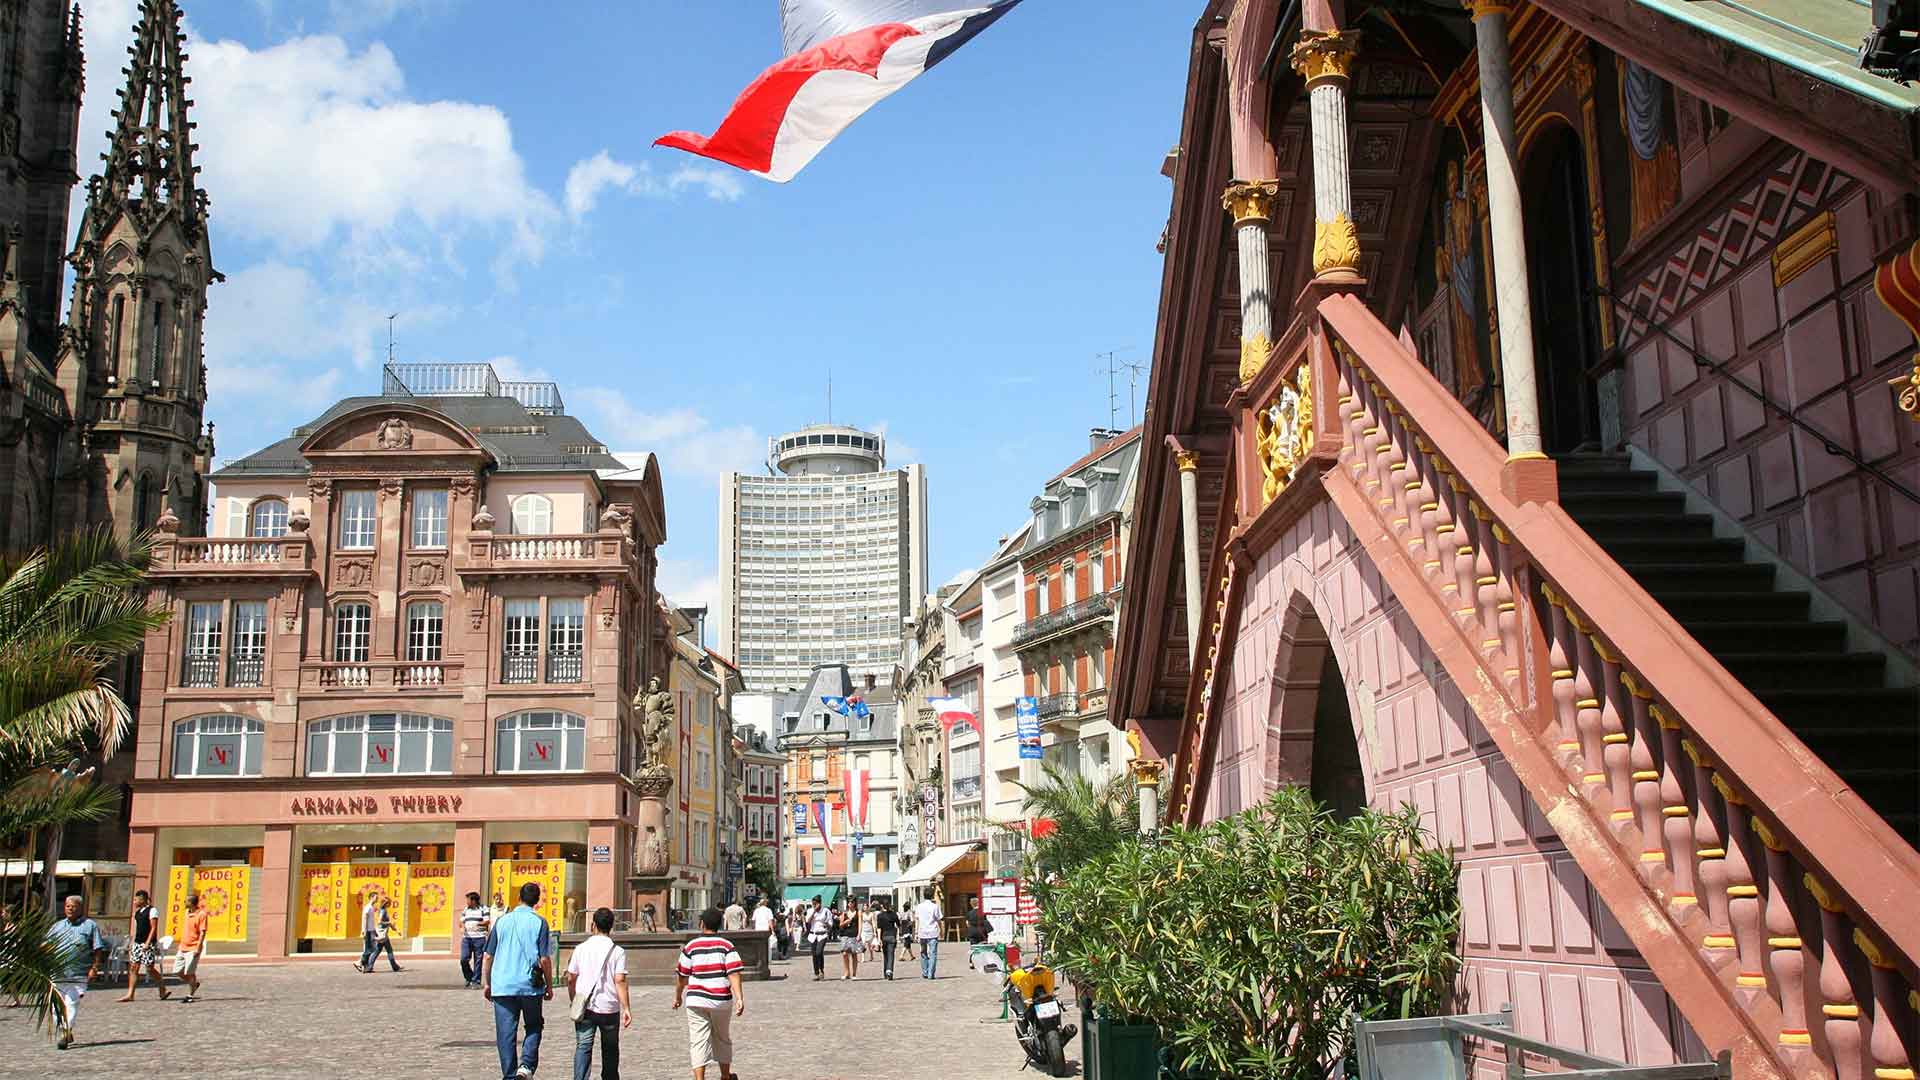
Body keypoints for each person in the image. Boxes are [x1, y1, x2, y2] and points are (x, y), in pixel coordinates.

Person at [484, 881, 555, 1080]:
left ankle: (509, 1075)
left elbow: (488, 956)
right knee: (533, 1025)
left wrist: (487, 982)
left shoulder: (502, 921)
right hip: (530, 986)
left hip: (503, 985)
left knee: (506, 1033)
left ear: (519, 898)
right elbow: (544, 958)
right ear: (538, 901)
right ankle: (526, 1066)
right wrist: (549, 985)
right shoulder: (540, 922)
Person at [673, 908, 745, 1080]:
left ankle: (699, 1078)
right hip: (720, 999)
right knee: (722, 1037)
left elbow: (682, 976)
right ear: (719, 925)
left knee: (698, 1041)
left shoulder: (691, 946)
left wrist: (678, 997)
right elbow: (734, 973)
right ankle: (725, 1076)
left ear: (702, 924)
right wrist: (739, 998)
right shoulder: (726, 946)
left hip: (696, 999)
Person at [565, 906, 631, 1080]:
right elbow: (620, 981)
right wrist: (626, 1008)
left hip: (585, 1006)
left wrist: (574, 998)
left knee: (583, 1046)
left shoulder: (581, 948)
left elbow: (571, 977)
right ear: (611, 926)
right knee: (610, 1050)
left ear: (593, 925)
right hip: (609, 1007)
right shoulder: (618, 951)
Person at [45, 895, 106, 1050]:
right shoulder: (57, 926)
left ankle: (65, 1034)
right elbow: (46, 945)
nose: (70, 909)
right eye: (67, 906)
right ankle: (66, 1030)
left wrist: (95, 968)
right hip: (57, 971)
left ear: (81, 908)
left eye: (73, 906)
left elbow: (98, 948)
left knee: (72, 1002)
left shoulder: (90, 925)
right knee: (56, 1005)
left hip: (78, 972)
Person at [117, 889, 169, 1002]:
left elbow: (154, 927)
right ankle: (130, 994)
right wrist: (132, 943)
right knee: (133, 968)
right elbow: (137, 929)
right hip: (137, 942)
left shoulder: (152, 910)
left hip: (148, 943)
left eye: (136, 899)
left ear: (142, 899)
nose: (134, 902)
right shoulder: (137, 912)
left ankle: (162, 987)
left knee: (149, 968)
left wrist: (148, 942)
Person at [174, 891, 209, 1002]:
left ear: (191, 903)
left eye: (186, 900)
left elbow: (203, 932)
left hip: (193, 947)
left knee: (190, 972)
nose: (184, 902)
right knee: (177, 971)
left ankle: (190, 995)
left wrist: (198, 948)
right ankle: (194, 984)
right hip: (183, 947)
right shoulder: (186, 913)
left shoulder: (201, 914)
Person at [460, 891, 492, 989]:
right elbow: (461, 921)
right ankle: (469, 977)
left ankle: (476, 981)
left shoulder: (484, 908)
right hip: (467, 938)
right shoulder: (466, 910)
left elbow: (487, 921)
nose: (467, 902)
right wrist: (462, 927)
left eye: (468, 899)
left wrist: (477, 924)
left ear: (473, 900)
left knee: (478, 960)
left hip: (479, 937)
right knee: (463, 959)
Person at [367, 896, 403, 972]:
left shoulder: (382, 910)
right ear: (386, 903)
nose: (390, 904)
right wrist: (389, 923)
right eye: (389, 903)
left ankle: (369, 967)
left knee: (377, 951)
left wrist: (395, 929)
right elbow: (380, 922)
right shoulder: (383, 911)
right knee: (389, 950)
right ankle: (395, 967)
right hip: (382, 935)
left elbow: (387, 924)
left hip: (382, 934)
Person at [913, 893, 941, 979]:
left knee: (923, 953)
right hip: (933, 932)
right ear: (932, 896)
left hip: (922, 932)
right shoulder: (935, 906)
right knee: (933, 953)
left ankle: (925, 971)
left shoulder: (919, 906)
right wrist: (941, 930)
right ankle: (931, 973)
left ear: (924, 896)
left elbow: (917, 920)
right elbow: (938, 919)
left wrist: (916, 933)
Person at [805, 898, 831, 981]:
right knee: (814, 954)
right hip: (813, 935)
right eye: (813, 904)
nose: (814, 905)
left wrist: (826, 924)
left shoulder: (826, 911)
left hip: (822, 934)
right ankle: (816, 973)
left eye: (815, 904)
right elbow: (808, 921)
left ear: (820, 903)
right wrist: (814, 912)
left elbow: (830, 924)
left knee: (819, 952)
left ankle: (821, 971)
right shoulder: (810, 910)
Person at [874, 900, 901, 980]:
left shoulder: (880, 915)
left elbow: (879, 928)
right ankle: (889, 971)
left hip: (884, 937)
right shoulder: (894, 914)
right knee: (891, 954)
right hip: (892, 936)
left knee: (885, 955)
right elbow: (899, 925)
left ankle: (885, 972)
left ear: (882, 906)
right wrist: (898, 935)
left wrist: (879, 939)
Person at [354, 892, 380, 973]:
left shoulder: (371, 907)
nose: (377, 899)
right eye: (376, 897)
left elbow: (371, 921)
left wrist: (375, 931)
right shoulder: (368, 907)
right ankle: (359, 962)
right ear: (371, 897)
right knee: (370, 949)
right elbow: (364, 918)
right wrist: (364, 931)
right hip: (368, 931)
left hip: (371, 930)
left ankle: (366, 968)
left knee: (370, 949)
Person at [837, 903, 863, 980]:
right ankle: (847, 972)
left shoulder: (858, 912)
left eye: (852, 902)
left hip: (854, 934)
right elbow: (840, 925)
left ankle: (854, 974)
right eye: (849, 902)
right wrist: (845, 922)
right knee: (844, 953)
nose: (850, 904)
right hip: (845, 935)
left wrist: (859, 934)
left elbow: (860, 924)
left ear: (855, 903)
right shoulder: (844, 912)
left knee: (854, 954)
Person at [965, 897, 988, 970]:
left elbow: (967, 923)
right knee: (983, 947)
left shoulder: (969, 913)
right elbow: (985, 922)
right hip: (982, 932)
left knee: (973, 947)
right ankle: (983, 962)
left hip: (972, 932)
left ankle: (971, 963)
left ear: (972, 904)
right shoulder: (982, 913)